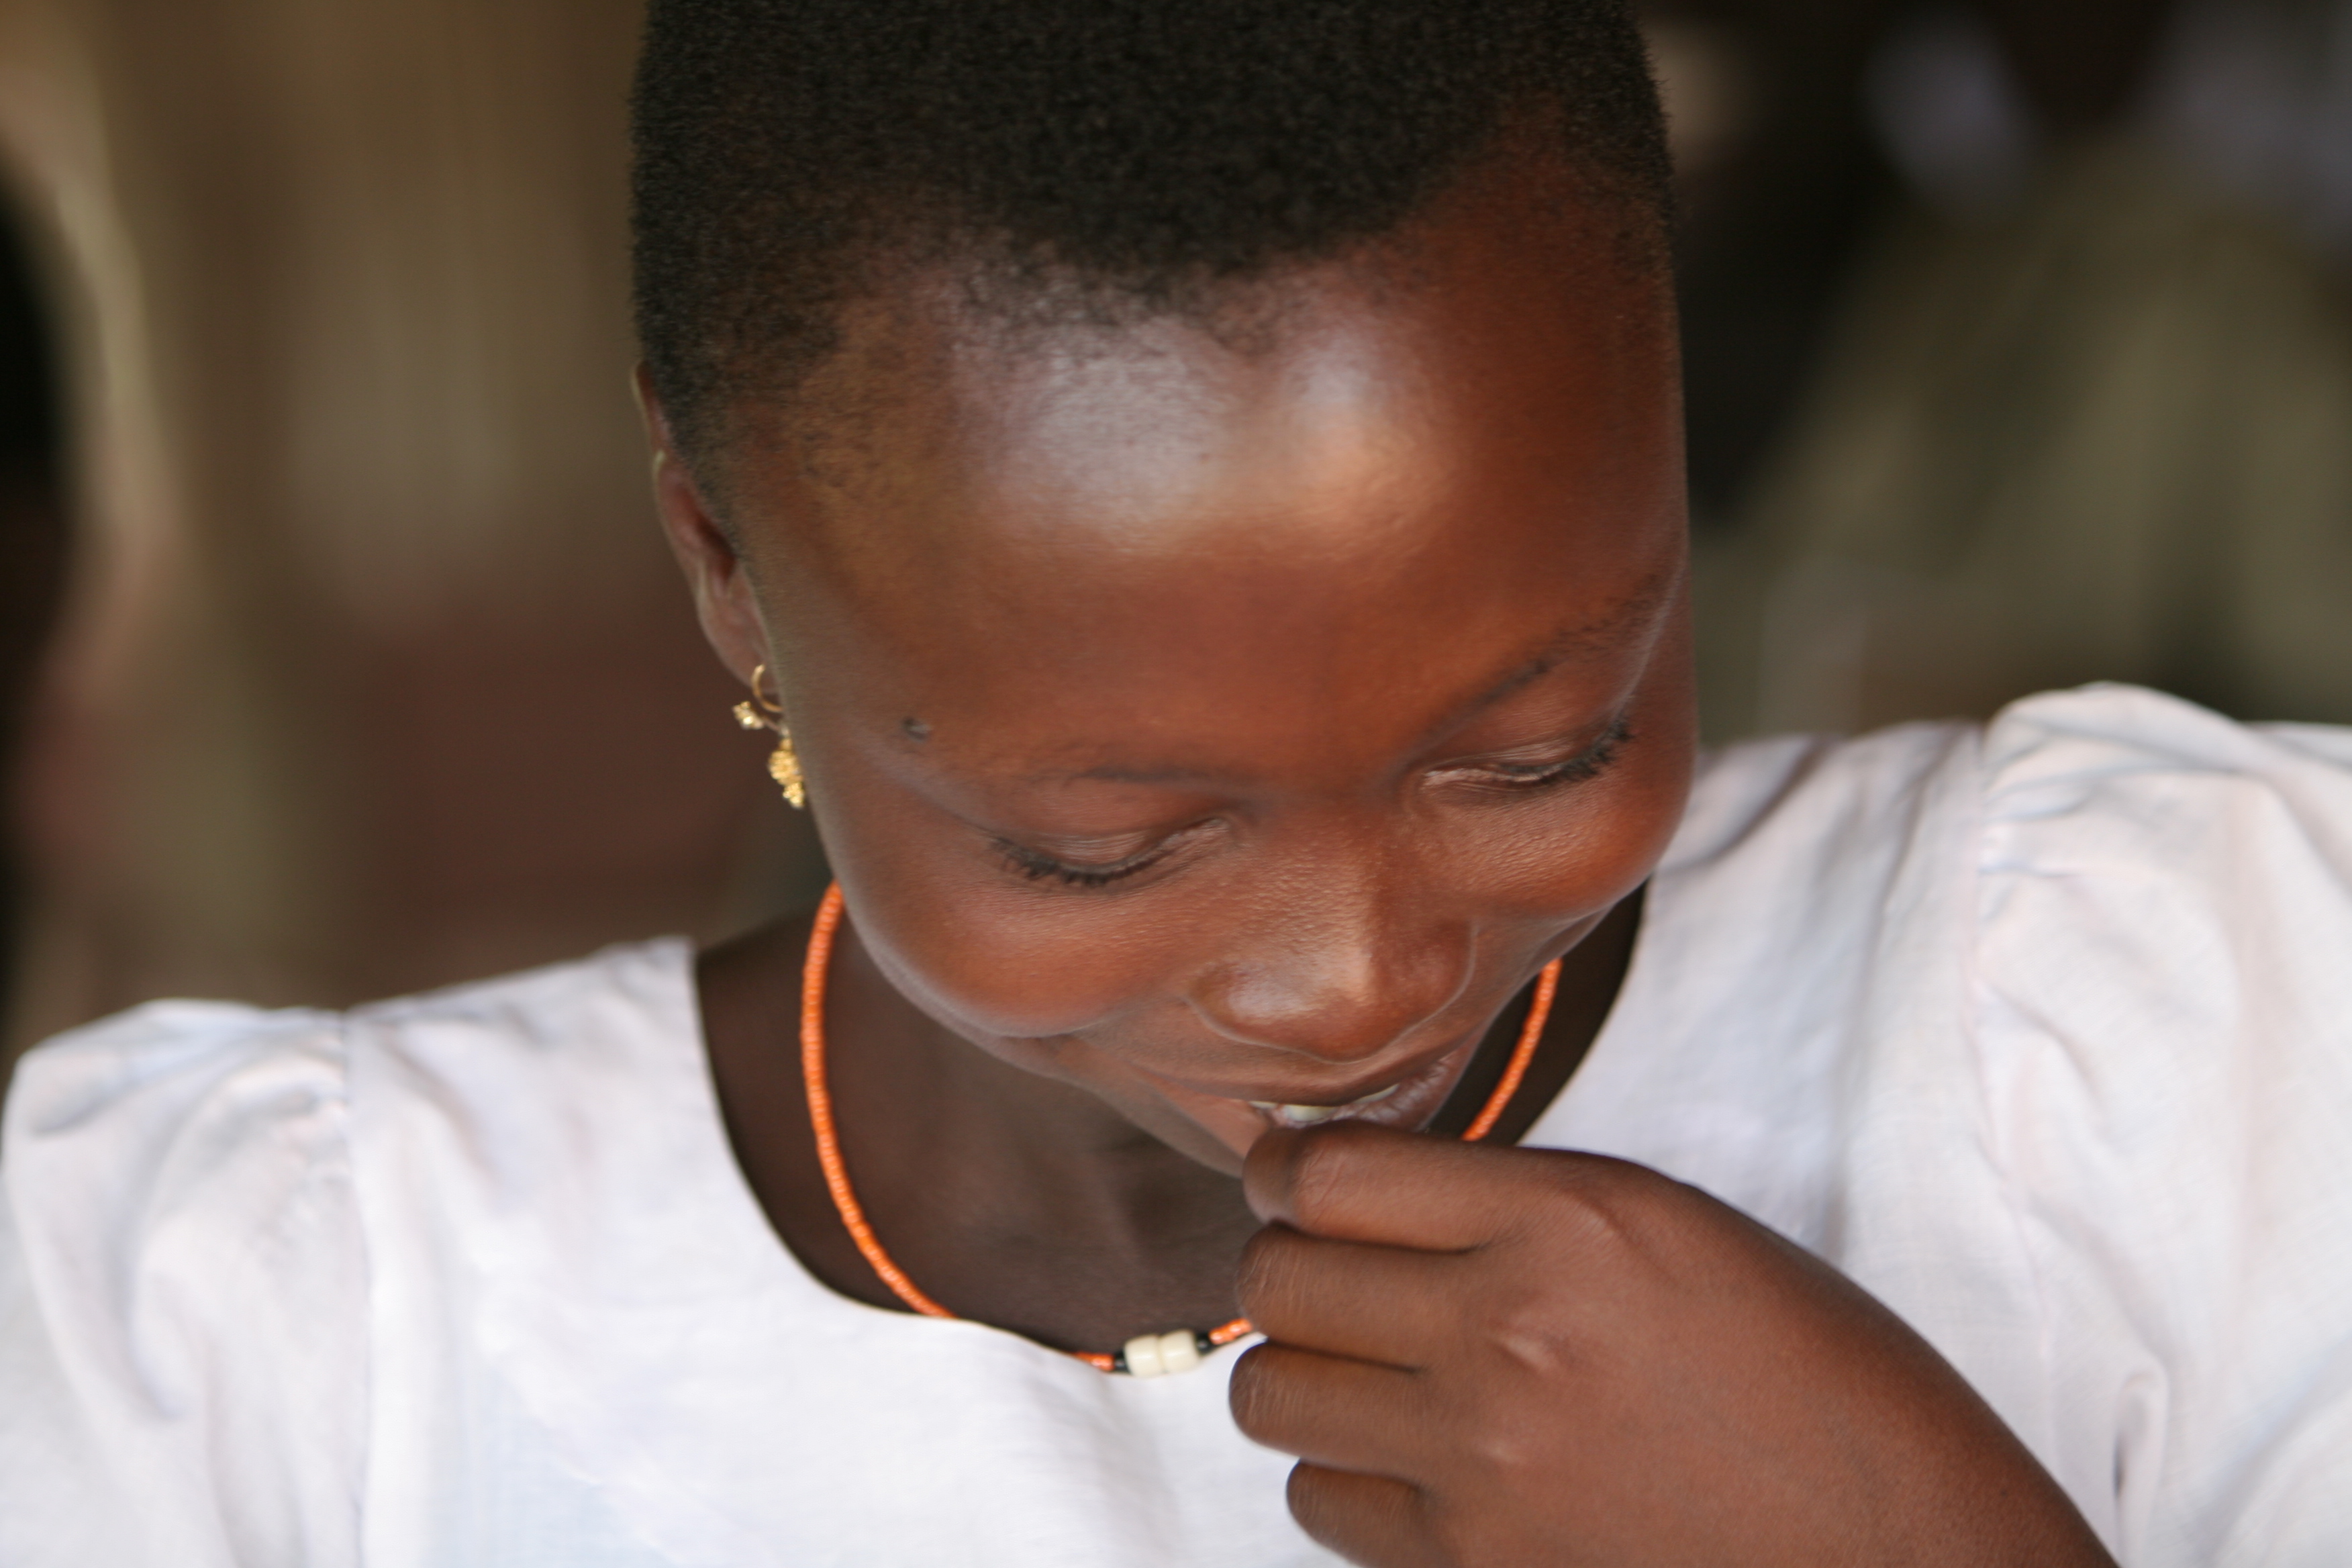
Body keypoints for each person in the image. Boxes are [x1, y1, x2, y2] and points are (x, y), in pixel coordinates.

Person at [3, 1, 2347, 1563]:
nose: (1360, 982)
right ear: (727, 567)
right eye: (1104, 844)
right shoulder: (255, 1334)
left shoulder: (2169, 1013)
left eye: (1547, 739)